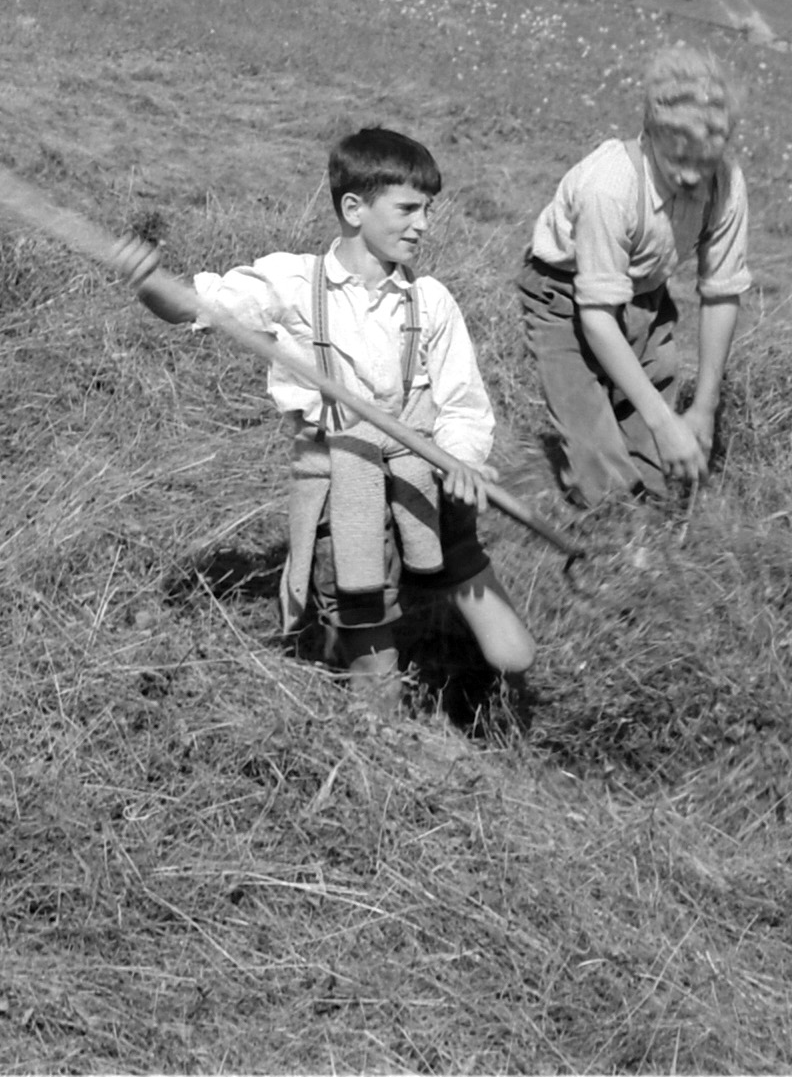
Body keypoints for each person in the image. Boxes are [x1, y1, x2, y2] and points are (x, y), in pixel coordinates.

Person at [132, 123, 536, 698]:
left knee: (513, 655)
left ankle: (411, 610)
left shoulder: (432, 301)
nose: (422, 224)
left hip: (426, 485)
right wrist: (149, 283)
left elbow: (466, 407)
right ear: (354, 208)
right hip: (345, 493)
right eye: (408, 209)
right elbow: (196, 306)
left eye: (427, 210)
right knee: (380, 685)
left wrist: (462, 461)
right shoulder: (293, 284)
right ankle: (356, 656)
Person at [517, 42, 750, 510]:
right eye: (676, 163)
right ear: (648, 136)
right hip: (565, 297)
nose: (690, 178)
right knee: (599, 461)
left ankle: (654, 523)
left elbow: (721, 294)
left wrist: (703, 407)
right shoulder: (611, 187)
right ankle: (613, 533)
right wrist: (668, 421)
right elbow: (598, 318)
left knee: (657, 456)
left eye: (702, 165)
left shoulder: (725, 184)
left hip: (644, 293)